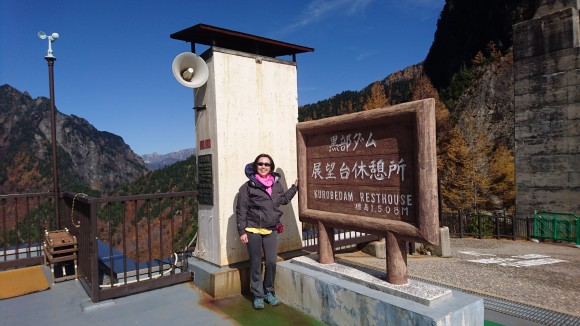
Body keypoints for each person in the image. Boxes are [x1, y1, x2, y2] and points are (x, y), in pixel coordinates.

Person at [236, 153, 298, 310]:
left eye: (267, 164)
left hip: (271, 229)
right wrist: (241, 231)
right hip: (252, 229)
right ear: (256, 166)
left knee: (271, 262)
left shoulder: (276, 184)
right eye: (260, 164)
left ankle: (268, 292)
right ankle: (258, 295)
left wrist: (294, 188)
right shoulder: (247, 187)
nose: (264, 166)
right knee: (256, 263)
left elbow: (282, 200)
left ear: (271, 167)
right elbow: (241, 210)